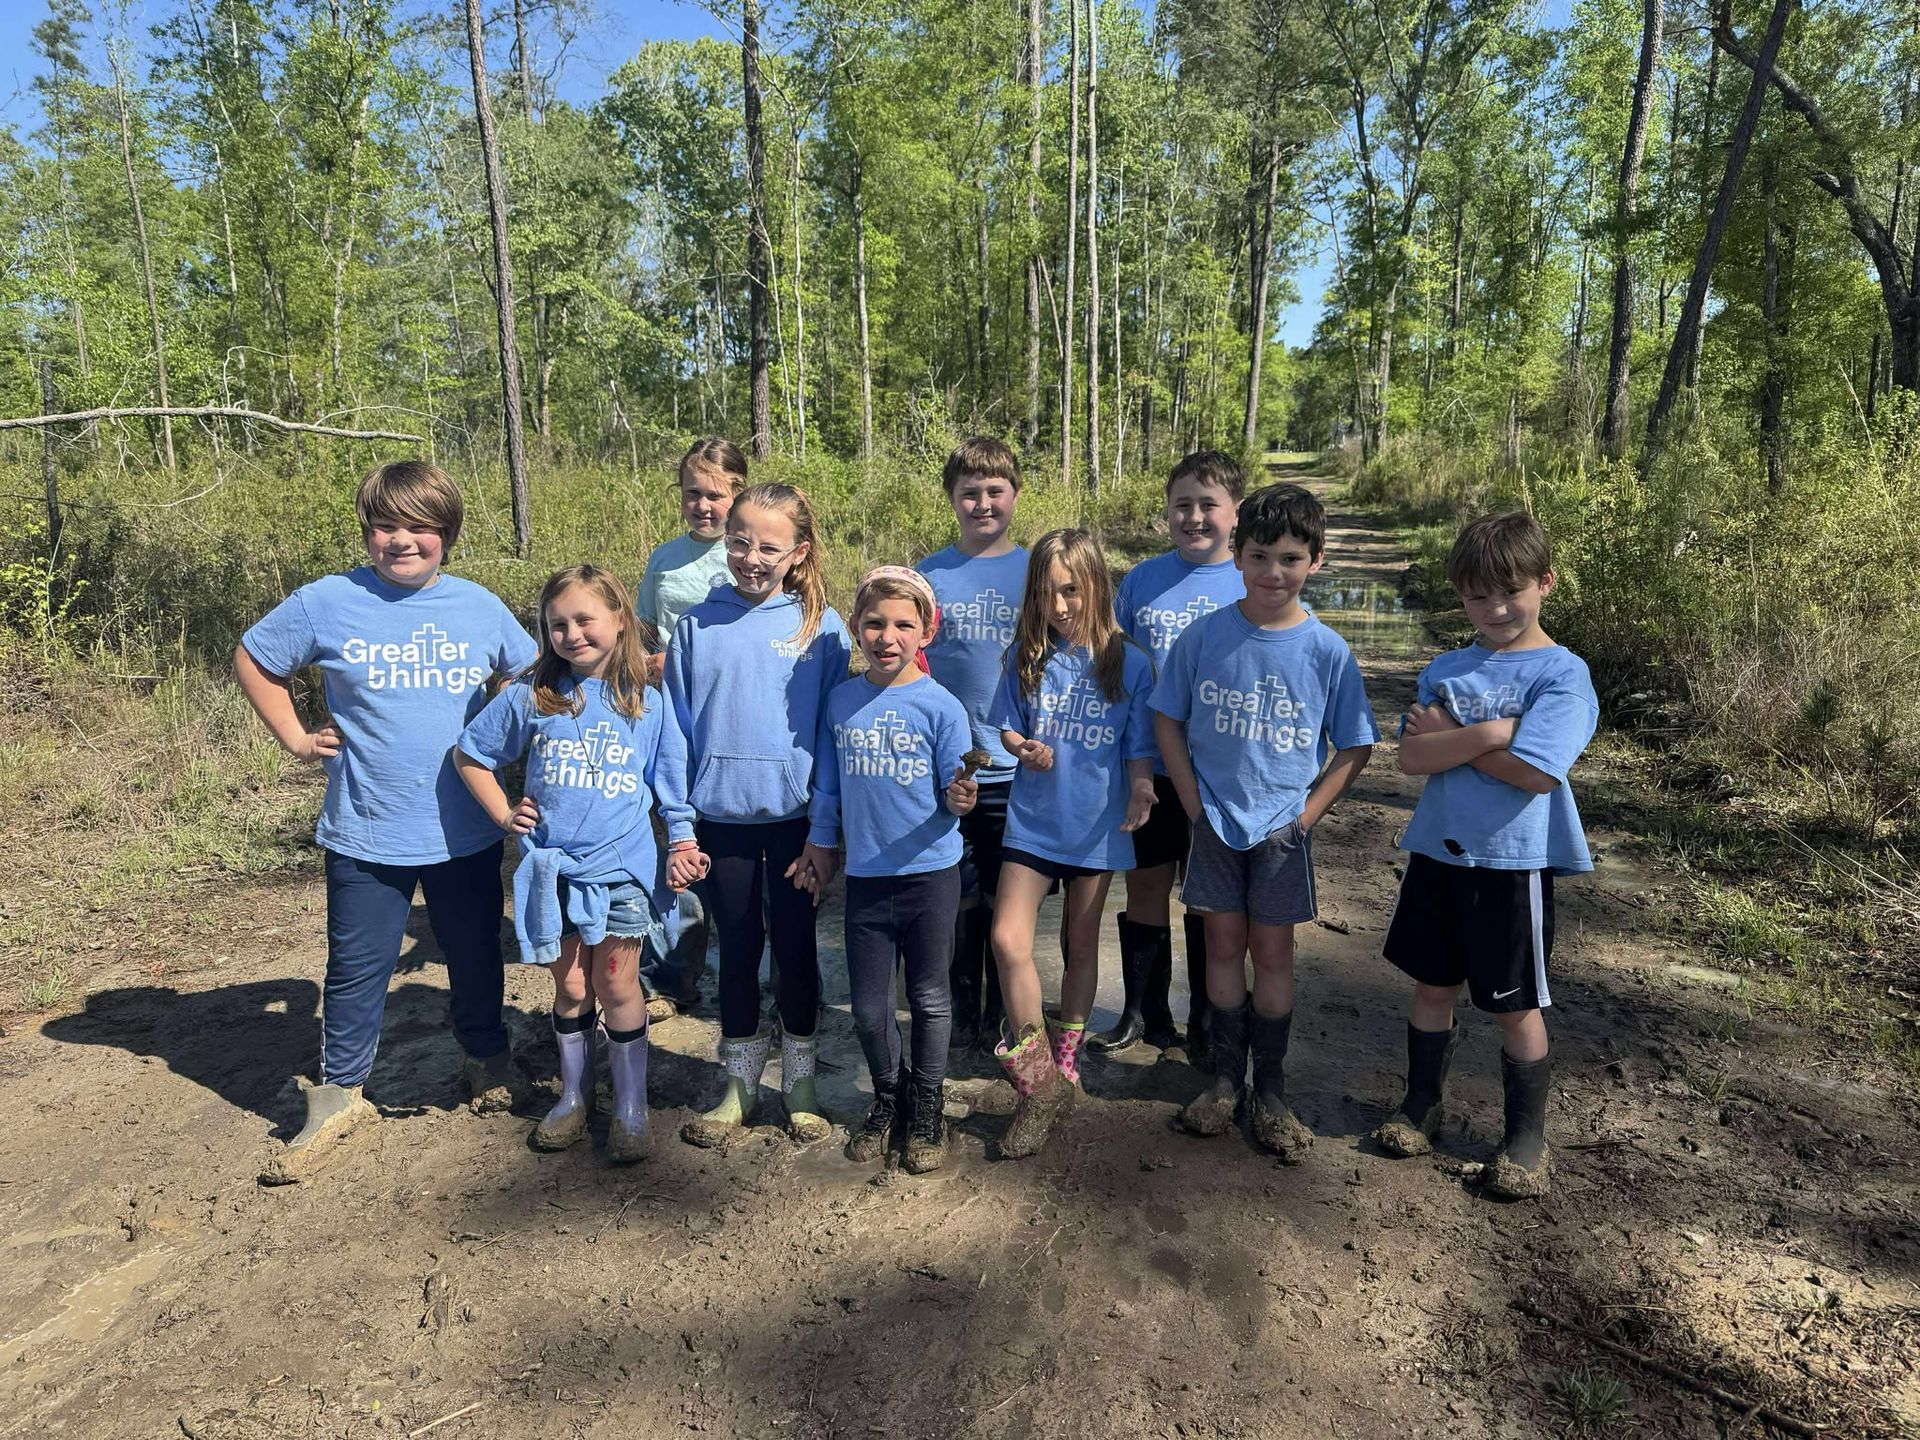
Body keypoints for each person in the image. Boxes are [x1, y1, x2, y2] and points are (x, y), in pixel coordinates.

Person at [234, 460, 537, 1183]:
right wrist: (297, 737)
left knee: (474, 954)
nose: (401, 541)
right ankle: (339, 1094)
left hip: (463, 827)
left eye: (420, 528)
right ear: (367, 530)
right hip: (366, 828)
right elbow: (254, 656)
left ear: (446, 535)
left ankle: (487, 1062)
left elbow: (526, 678)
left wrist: (509, 745)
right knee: (357, 966)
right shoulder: (327, 601)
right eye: (386, 525)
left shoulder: (477, 606)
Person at [1152, 483, 1379, 1160]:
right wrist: (1192, 804)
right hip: (1215, 825)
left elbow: (1357, 743)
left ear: (1315, 560)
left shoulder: (1326, 651)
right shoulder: (1206, 636)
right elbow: (1168, 717)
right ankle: (1225, 1078)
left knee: (1272, 953)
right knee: (1221, 948)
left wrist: (1306, 816)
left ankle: (1271, 1087)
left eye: (1288, 558)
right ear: (1236, 555)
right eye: (1258, 556)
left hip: (1281, 831)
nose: (1272, 573)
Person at [1376, 512, 1597, 1200]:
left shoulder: (1564, 674)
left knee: (1514, 1004)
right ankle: (1421, 1105)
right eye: (1476, 596)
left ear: (1545, 583)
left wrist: (1462, 734)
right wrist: (1498, 730)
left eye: (1510, 591)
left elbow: (1537, 770)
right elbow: (1413, 757)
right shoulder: (1448, 668)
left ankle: (1525, 1139)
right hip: (1439, 856)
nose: (1495, 609)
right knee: (1431, 986)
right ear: (1459, 597)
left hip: (1514, 865)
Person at [453, 565, 689, 1164]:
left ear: (620, 620)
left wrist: (683, 840)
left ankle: (631, 1104)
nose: (573, 633)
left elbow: (670, 783)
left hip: (622, 871)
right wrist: (505, 814)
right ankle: (574, 1098)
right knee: (573, 985)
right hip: (551, 872)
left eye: (586, 618)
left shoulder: (649, 702)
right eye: (558, 624)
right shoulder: (532, 698)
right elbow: (472, 753)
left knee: (616, 984)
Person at [660, 481, 853, 1148]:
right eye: (739, 540)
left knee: (796, 951)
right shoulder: (695, 626)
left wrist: (826, 834)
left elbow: (832, 738)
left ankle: (800, 1083)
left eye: (768, 546)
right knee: (736, 950)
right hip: (720, 825)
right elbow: (674, 736)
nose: (750, 556)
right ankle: (739, 1083)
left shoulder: (821, 628)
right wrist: (679, 826)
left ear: (797, 553)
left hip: (798, 826)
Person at [796, 568, 978, 1173]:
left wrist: (961, 798)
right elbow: (827, 786)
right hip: (867, 881)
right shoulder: (841, 702)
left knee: (928, 997)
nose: (888, 635)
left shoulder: (941, 707)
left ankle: (928, 1105)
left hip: (931, 875)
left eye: (904, 624)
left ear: (926, 632)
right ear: (856, 629)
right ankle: (889, 1097)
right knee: (870, 1010)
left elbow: (957, 786)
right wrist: (822, 844)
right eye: (875, 623)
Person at [985, 529, 1157, 1159]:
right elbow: (1006, 725)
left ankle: (1065, 1062)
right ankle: (1038, 1087)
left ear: (1095, 587)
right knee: (1007, 940)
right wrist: (1020, 748)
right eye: (1045, 592)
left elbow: (1139, 745)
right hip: (1033, 821)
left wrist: (1141, 788)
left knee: (1079, 943)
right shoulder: (1024, 656)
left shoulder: (1129, 663)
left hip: (1095, 826)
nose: (1058, 606)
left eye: (1070, 590)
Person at [1097, 450, 1246, 1063]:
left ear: (1235, 513)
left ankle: (1207, 1020)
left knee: (1210, 898)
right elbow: (1115, 664)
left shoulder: (1253, 577)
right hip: (1151, 767)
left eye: (1208, 505)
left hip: (1222, 774)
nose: (1194, 517)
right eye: (1182, 505)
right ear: (1166, 512)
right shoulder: (1141, 581)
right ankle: (1144, 1012)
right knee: (1147, 886)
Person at [916, 437, 1028, 1055]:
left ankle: (1005, 1013)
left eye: (994, 491)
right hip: (950, 764)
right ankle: (962, 1009)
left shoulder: (1036, 570)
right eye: (969, 492)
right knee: (953, 895)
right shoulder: (929, 575)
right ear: (951, 498)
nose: (982, 503)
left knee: (1004, 897)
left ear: (1014, 494)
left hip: (1017, 767)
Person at [634, 436, 747, 1023]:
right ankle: (673, 977)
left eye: (716, 495)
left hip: (738, 721)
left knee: (751, 860)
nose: (704, 506)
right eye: (693, 494)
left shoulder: (752, 557)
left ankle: (767, 982)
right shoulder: (664, 559)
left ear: (738, 495)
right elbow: (644, 633)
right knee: (682, 848)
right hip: (676, 725)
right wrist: (649, 664)